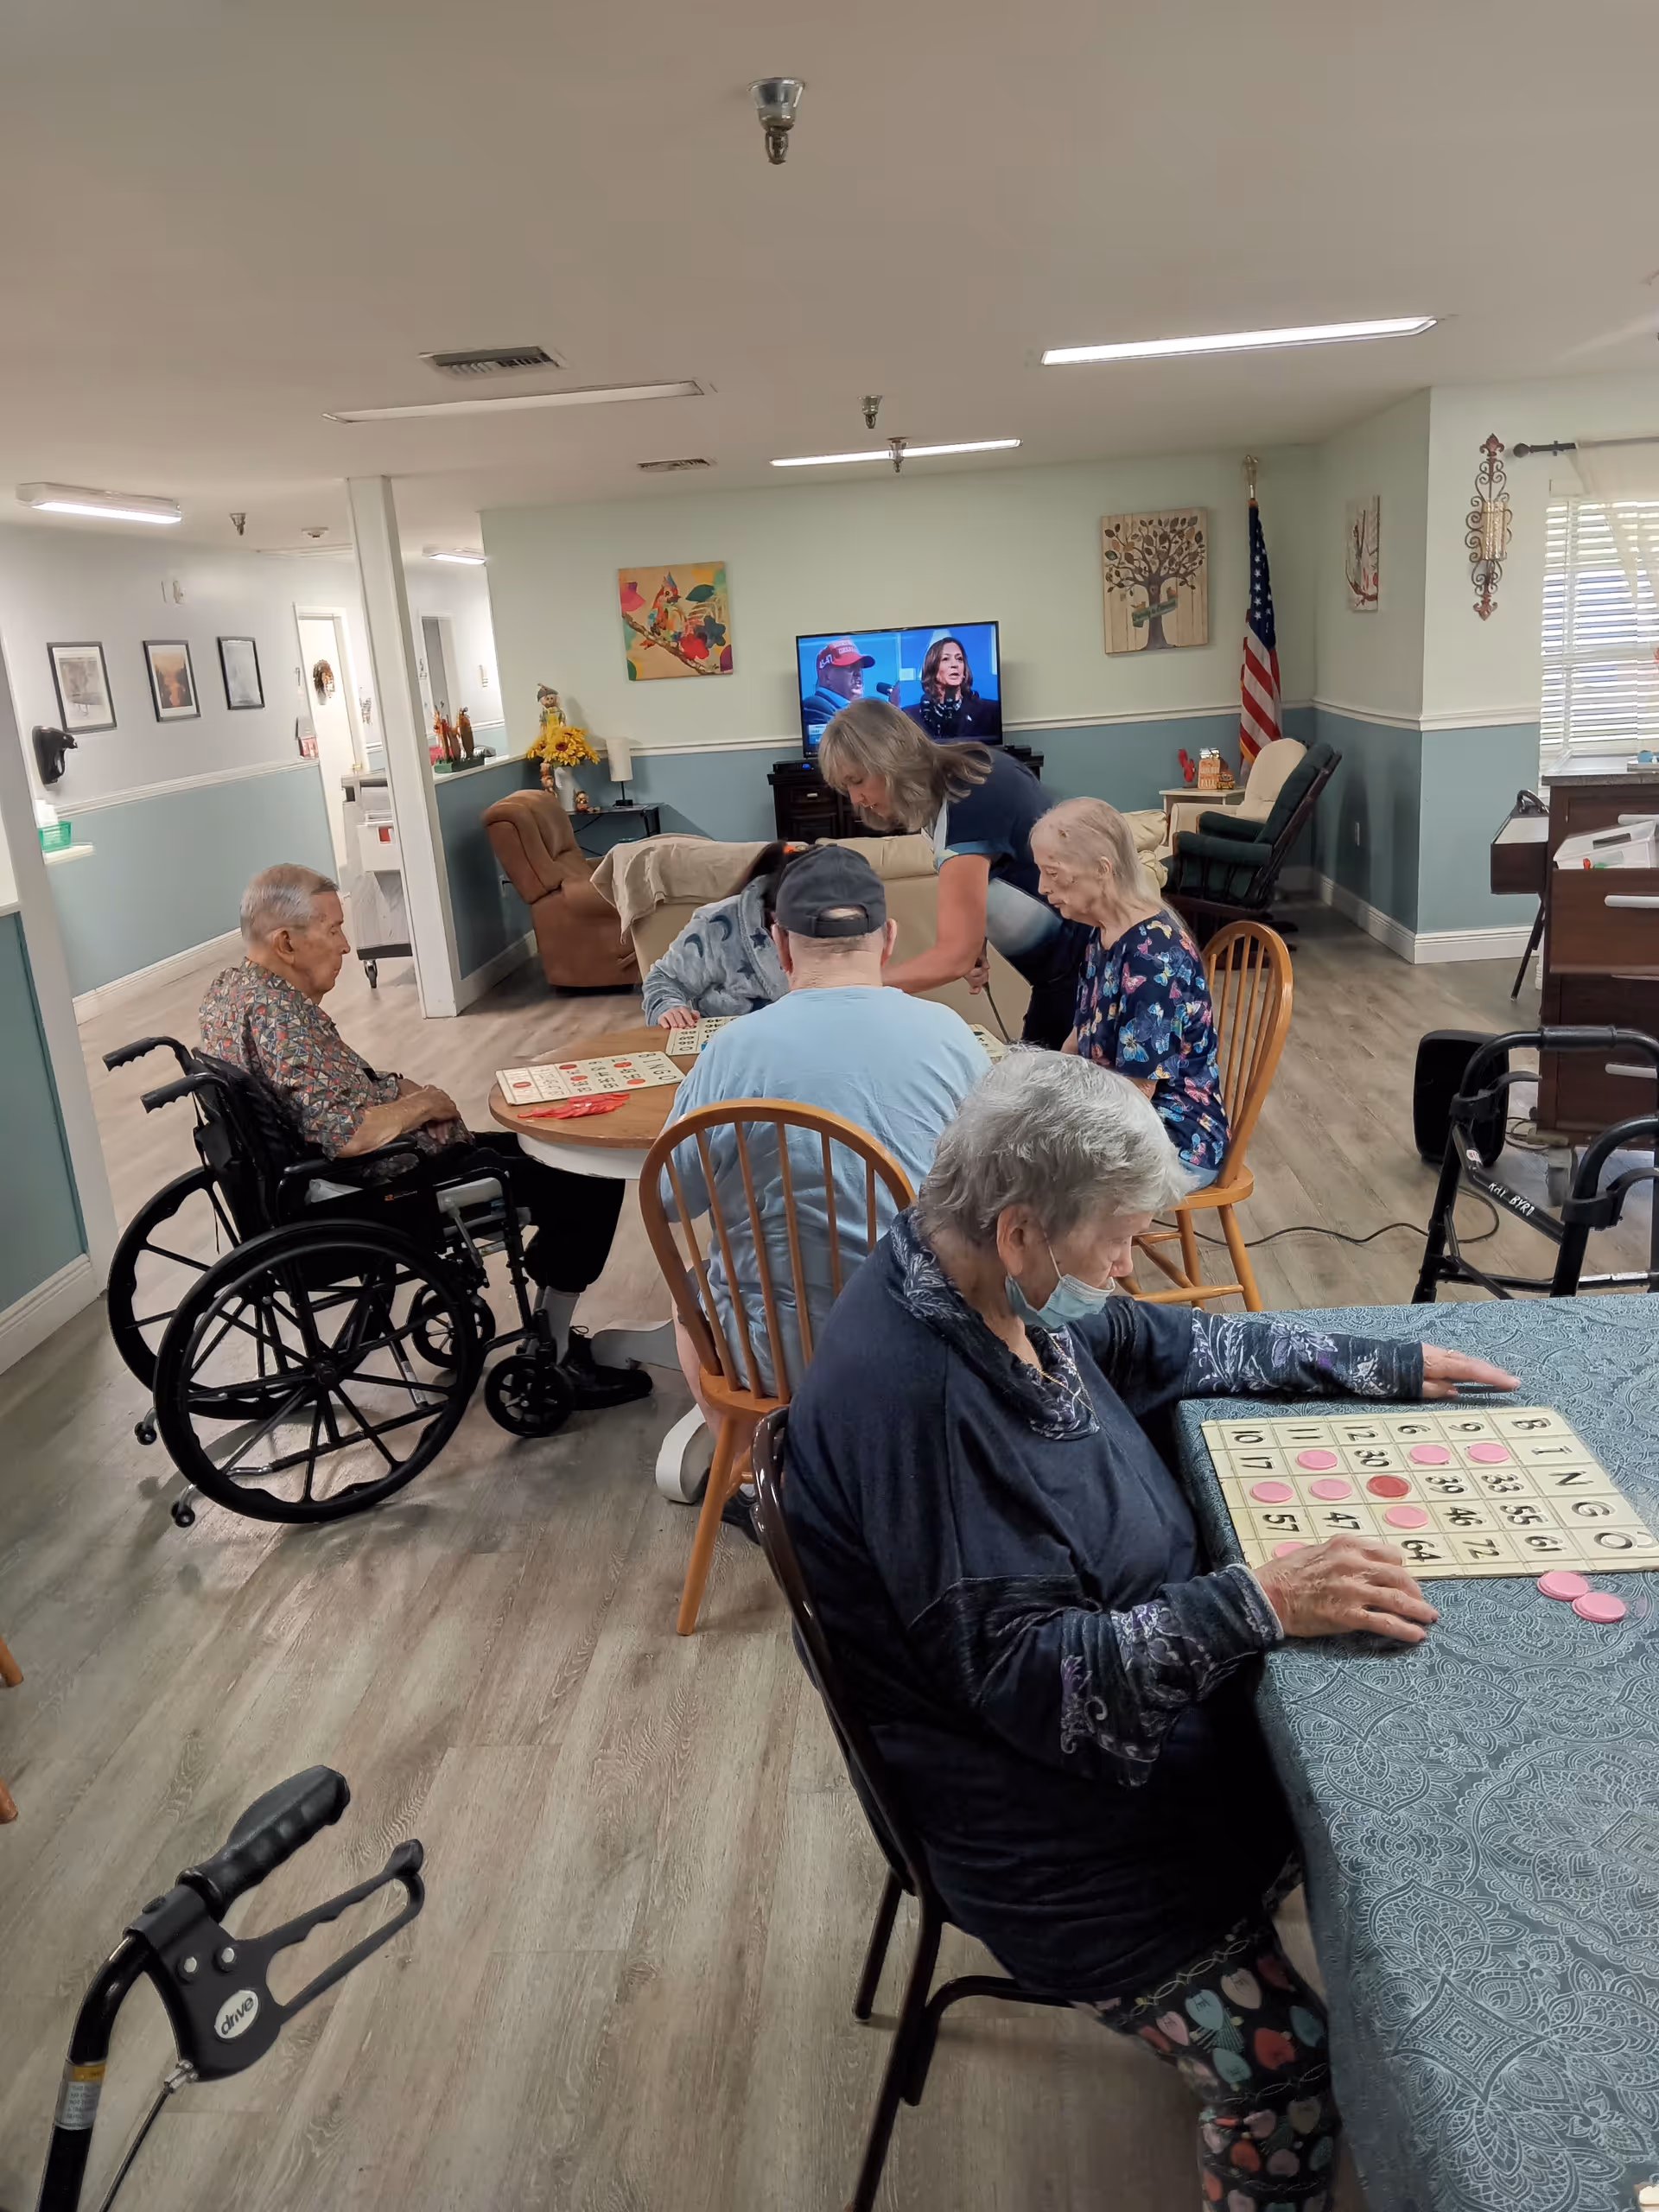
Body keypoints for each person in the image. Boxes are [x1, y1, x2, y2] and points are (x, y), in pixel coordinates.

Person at [784, 1051, 1516, 2209]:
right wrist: (1261, 1600)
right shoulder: (920, 1399)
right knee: (1294, 2071)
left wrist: (1383, 1363)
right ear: (1022, 1229)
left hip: (1130, 1763)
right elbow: (1042, 1688)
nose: (1126, 1269)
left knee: (1399, 1799)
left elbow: (1169, 1345)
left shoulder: (977, 1276)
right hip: (1048, 1837)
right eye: (1115, 1241)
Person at [199, 863, 649, 1411]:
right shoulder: (279, 1016)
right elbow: (348, 1135)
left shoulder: (232, 990)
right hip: (377, 1186)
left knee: (542, 1150)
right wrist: (425, 1104)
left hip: (314, 1181)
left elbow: (330, 1092)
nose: (345, 946)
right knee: (587, 1173)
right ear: (287, 942)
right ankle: (552, 1347)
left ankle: (547, 1271)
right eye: (334, 929)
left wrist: (397, 1091)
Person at [662, 843, 988, 1408]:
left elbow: (672, 1196)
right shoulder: (953, 1036)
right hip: (931, 1336)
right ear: (887, 939)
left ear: (781, 944)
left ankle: (752, 1478)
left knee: (687, 1285)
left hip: (781, 1356)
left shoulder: (732, 1050)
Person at [817, 698, 1091, 1048]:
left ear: (888, 756)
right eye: (846, 788)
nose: (857, 798)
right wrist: (978, 931)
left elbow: (954, 956)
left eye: (857, 781)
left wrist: (854, 986)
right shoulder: (965, 775)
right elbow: (1012, 870)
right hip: (1068, 975)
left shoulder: (966, 800)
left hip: (1088, 979)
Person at [1032, 796, 1229, 1183]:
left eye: (1053, 873)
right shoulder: (1102, 933)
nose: (1041, 887)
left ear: (1102, 869)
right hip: (1117, 1115)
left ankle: (1085, 1244)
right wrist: (1040, 1086)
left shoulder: (1153, 956)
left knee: (1034, 1174)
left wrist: (1056, 1123)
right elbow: (1080, 1033)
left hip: (1173, 1138)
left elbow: (1139, 1092)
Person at [642, 842, 798, 1030]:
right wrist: (670, 1009)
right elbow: (664, 978)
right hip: (724, 1040)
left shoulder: (838, 928)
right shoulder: (715, 923)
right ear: (773, 914)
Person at [901, 632, 1000, 741]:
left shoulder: (990, 712)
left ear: (964, 671)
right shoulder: (909, 717)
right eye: (945, 659)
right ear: (932, 669)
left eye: (959, 659)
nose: (955, 665)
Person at [801, 637, 874, 740]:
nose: (858, 673)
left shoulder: (853, 709)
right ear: (827, 677)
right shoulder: (814, 707)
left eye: (859, 667)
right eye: (850, 667)